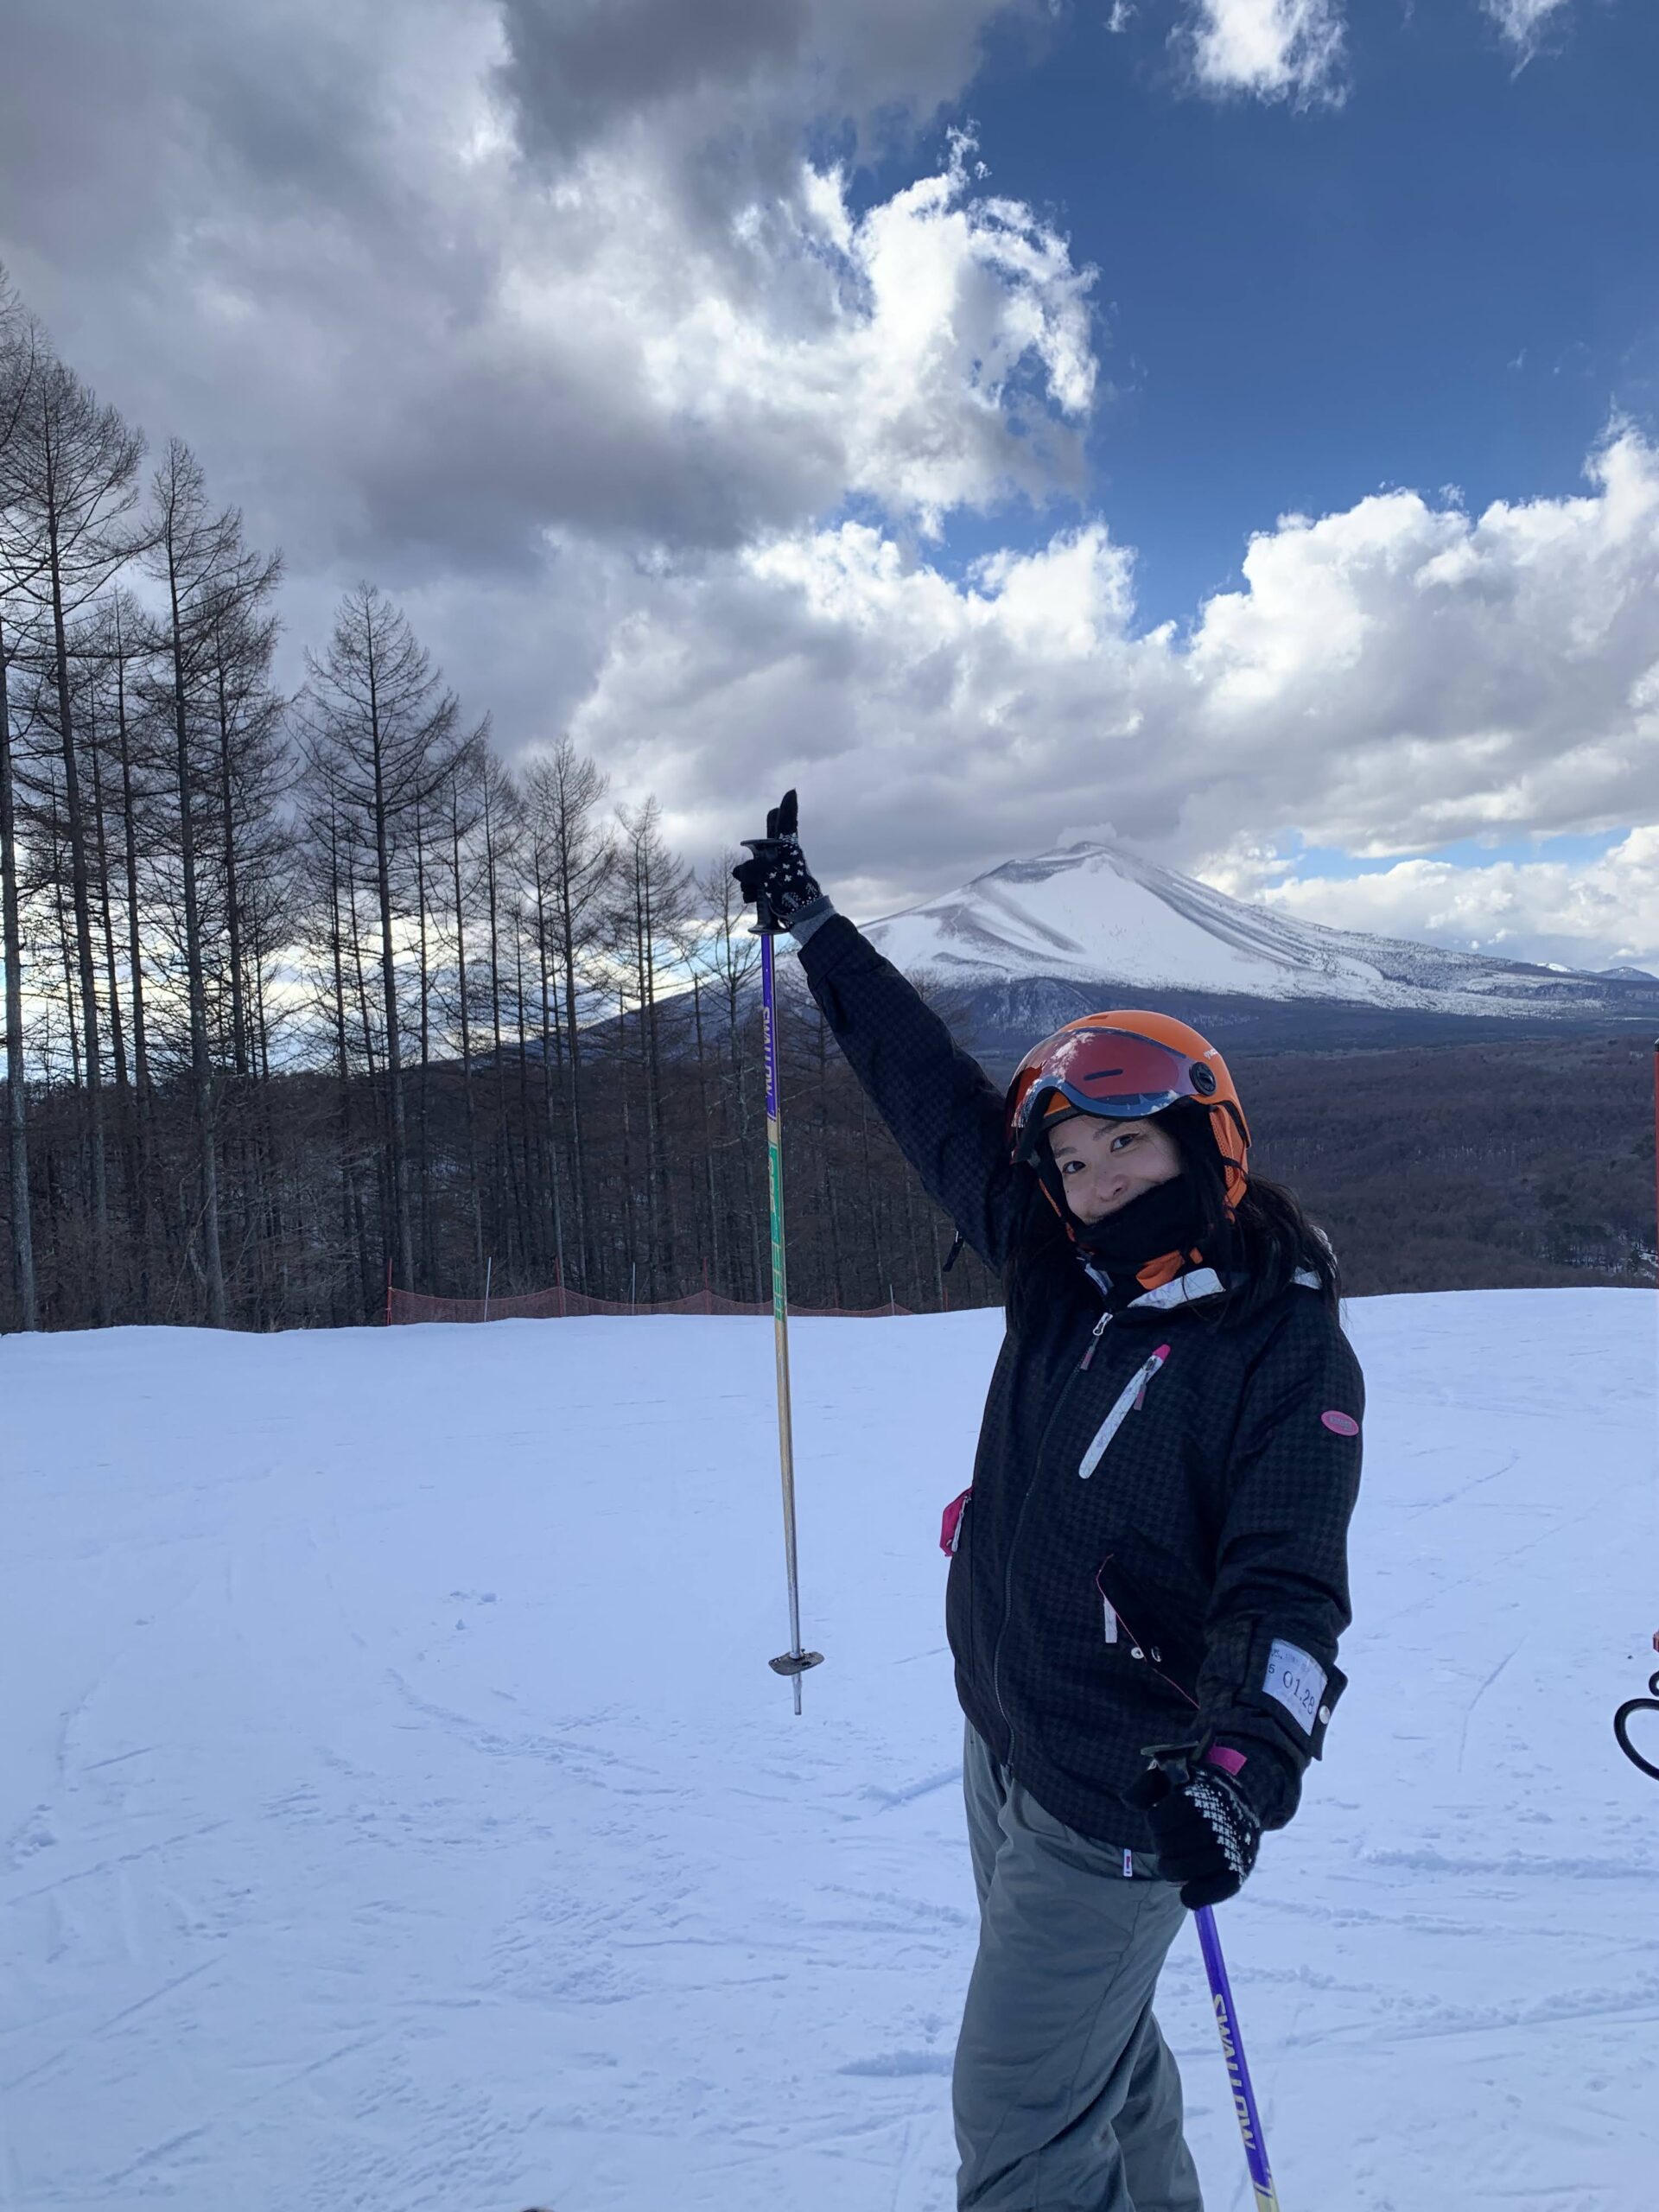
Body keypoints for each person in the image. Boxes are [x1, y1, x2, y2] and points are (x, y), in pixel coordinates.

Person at [734, 791, 1364, 2212]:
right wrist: (822, 933)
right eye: (1072, 1162)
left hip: (1129, 1791)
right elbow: (932, 1099)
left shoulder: (1280, 1347)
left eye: (1126, 1152)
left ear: (1207, 1150)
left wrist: (1239, 1775)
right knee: (1102, 2057)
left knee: (1019, 2112)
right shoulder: (1057, 1268)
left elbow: (1291, 1591)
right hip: (1007, 1737)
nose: (1091, 1187)